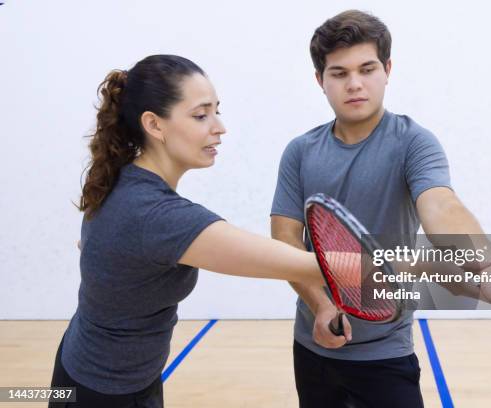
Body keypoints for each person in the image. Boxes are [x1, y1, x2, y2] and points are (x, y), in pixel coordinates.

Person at [271, 10, 491, 408]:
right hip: (313, 347)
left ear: (387, 70)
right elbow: (284, 240)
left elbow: (442, 206)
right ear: (320, 80)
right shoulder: (300, 152)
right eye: (339, 73)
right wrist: (321, 306)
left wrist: (485, 259)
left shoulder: (414, 143)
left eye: (367, 68)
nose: (354, 83)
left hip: (386, 351)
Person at [50, 54, 325, 408]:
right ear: (154, 124)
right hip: (104, 393)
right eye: (200, 115)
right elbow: (308, 266)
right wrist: (412, 262)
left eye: (217, 110)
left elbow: (102, 247)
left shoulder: (122, 181)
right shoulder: (159, 216)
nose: (219, 126)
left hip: (84, 371)